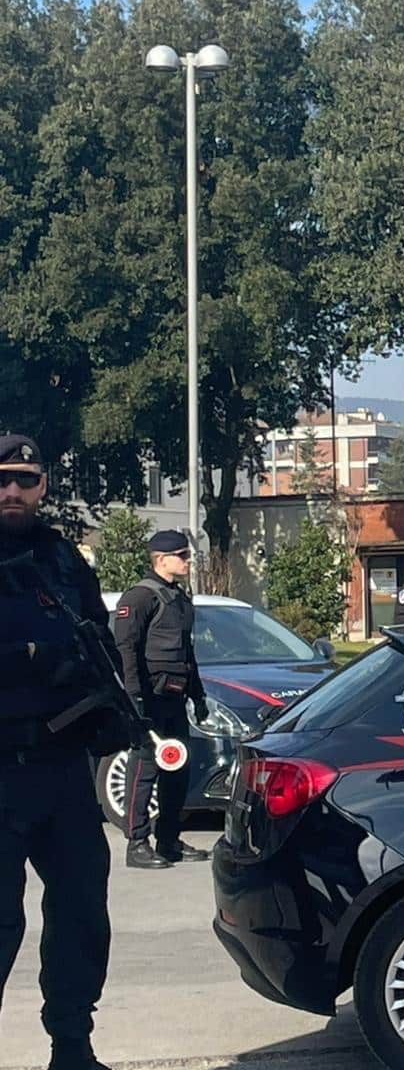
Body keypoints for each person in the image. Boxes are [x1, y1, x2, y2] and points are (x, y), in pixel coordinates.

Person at [0, 434, 127, 1070]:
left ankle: (72, 1046)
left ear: (44, 485)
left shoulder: (62, 563)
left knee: (81, 912)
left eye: (25, 479)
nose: (13, 491)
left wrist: (109, 706)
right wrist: (28, 659)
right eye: (3, 479)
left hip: (62, 769)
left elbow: (99, 644)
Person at [114, 530, 210, 869]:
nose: (187, 561)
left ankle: (168, 839)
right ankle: (136, 842)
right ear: (161, 559)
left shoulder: (179, 598)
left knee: (177, 770)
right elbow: (125, 650)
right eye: (182, 556)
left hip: (174, 697)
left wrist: (198, 694)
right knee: (145, 769)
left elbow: (187, 652)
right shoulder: (141, 597)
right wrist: (134, 698)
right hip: (149, 699)